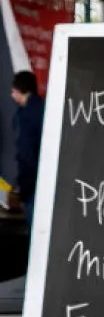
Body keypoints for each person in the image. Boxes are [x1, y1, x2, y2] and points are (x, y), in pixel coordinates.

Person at [11, 70, 45, 230]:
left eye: (13, 91)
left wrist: (23, 189)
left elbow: (26, 155)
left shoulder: (25, 116)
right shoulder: (43, 108)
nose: (11, 95)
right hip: (46, 180)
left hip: (31, 185)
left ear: (18, 90)